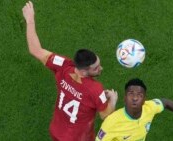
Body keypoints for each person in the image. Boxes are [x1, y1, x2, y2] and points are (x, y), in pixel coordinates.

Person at [22, 1, 118, 141]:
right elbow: (107, 117)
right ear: (84, 71)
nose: (101, 68)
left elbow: (35, 50)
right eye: (96, 68)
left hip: (56, 132)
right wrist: (113, 101)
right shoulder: (95, 89)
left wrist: (30, 20)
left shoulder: (64, 65)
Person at [96, 78, 173, 141]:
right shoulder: (111, 123)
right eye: (131, 94)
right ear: (125, 98)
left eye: (140, 95)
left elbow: (166, 103)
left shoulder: (149, 108)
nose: (135, 98)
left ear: (144, 99)